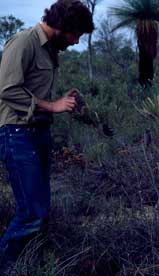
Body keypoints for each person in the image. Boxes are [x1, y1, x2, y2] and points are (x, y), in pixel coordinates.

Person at [0, 0, 94, 272]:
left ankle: (29, 264)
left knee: (39, 212)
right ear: (63, 27)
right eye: (75, 35)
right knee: (31, 213)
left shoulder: (51, 50)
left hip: (38, 134)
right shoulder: (24, 42)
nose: (76, 42)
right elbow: (7, 90)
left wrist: (64, 100)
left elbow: (34, 92)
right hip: (17, 134)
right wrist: (53, 106)